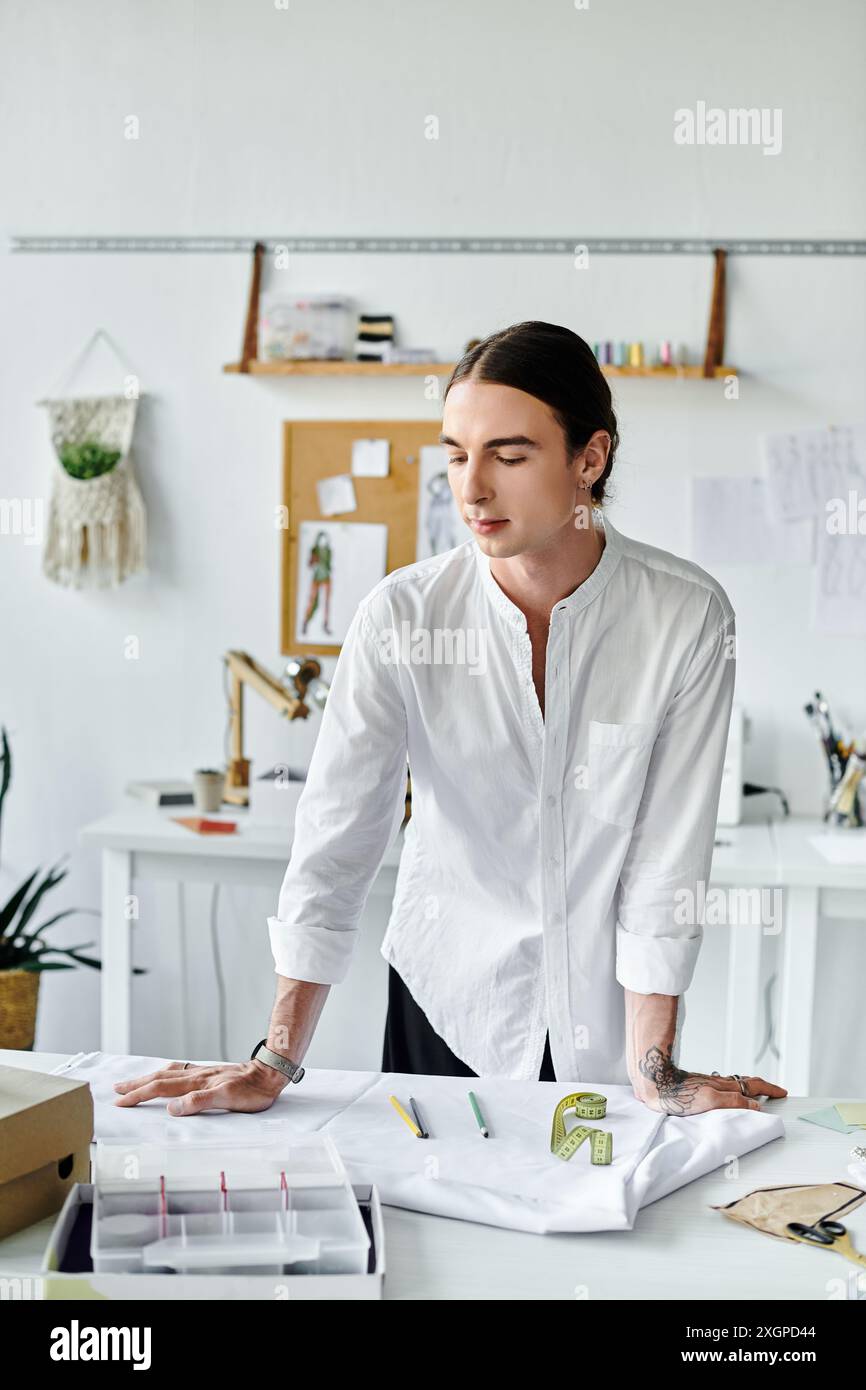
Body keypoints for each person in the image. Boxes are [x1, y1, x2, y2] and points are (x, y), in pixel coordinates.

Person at [114, 321, 786, 1119]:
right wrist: (276, 1060)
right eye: (457, 455)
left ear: (590, 458)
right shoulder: (401, 615)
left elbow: (666, 861)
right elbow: (337, 839)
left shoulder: (685, 615)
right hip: (448, 1009)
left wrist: (656, 1069)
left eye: (509, 456)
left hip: (605, 1029)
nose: (471, 490)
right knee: (435, 1227)